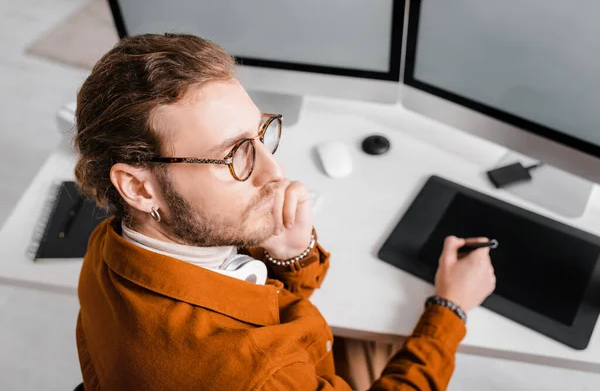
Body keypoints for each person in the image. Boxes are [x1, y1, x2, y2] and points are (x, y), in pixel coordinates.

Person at [74, 33, 496, 391]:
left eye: (260, 134)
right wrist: (450, 308)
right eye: (233, 155)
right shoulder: (259, 374)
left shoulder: (111, 243)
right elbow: (262, 358)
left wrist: (289, 258)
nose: (274, 172)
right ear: (138, 187)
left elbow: (264, 307)